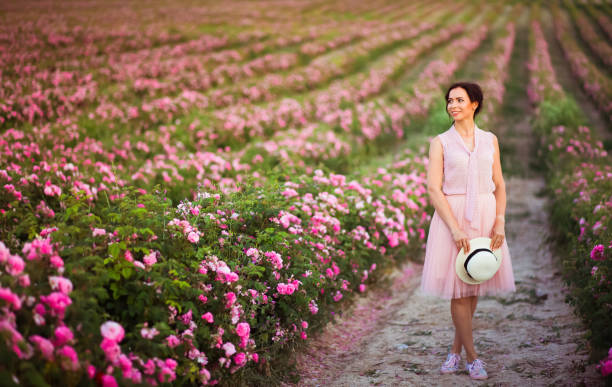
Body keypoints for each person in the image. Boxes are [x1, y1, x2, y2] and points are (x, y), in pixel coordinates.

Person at [420, 81, 516, 380]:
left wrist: (500, 220)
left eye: (460, 100)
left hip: (486, 216)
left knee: (473, 284)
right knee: (459, 291)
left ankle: (454, 351)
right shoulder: (441, 142)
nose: (453, 105)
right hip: (452, 218)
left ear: (475, 104)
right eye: (450, 101)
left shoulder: (490, 140)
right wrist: (455, 228)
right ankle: (473, 358)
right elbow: (434, 189)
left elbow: (499, 185)